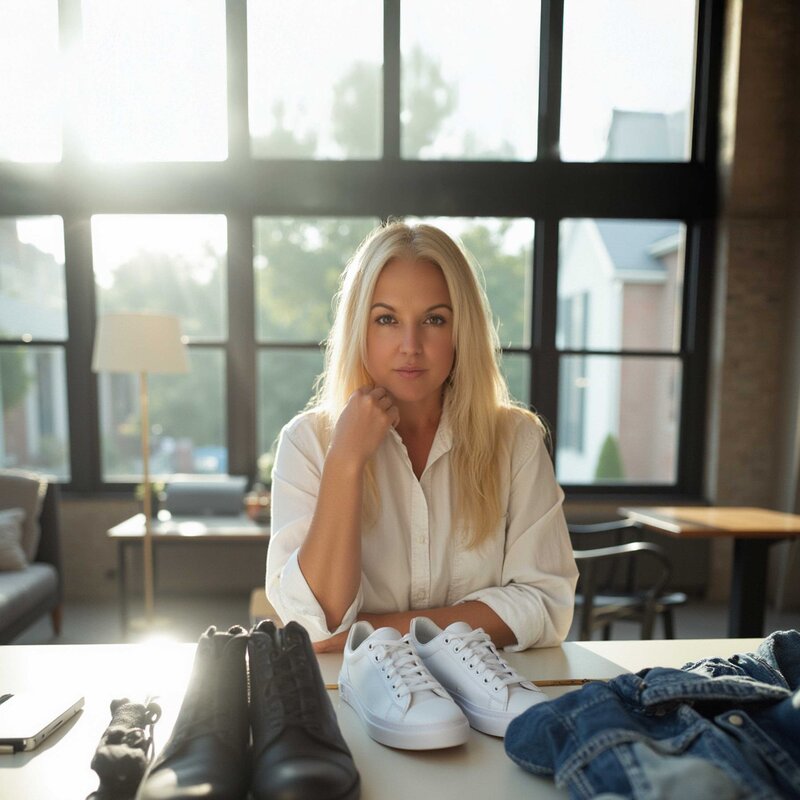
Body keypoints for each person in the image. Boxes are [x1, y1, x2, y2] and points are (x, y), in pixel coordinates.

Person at [266, 221, 578, 653]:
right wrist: (346, 461)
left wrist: (371, 629)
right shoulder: (308, 442)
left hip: (490, 704)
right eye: (387, 319)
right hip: (355, 703)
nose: (410, 345)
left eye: (434, 319)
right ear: (361, 328)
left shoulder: (516, 440)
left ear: (461, 329)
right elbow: (316, 623)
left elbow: (546, 606)